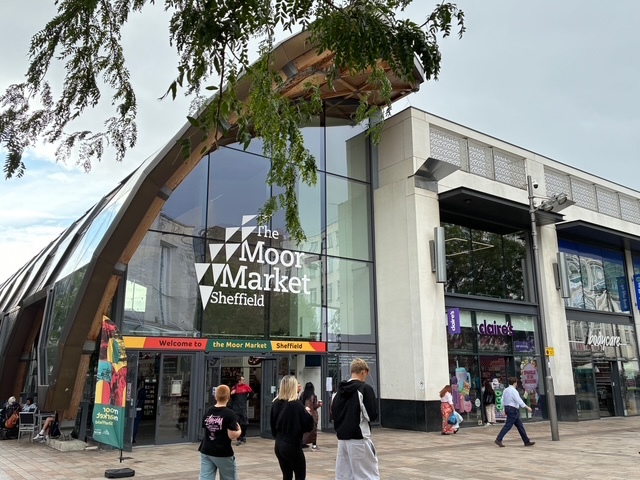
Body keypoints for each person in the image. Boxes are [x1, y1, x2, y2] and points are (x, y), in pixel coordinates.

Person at [331, 358, 380, 480]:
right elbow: (371, 415)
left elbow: (334, 413)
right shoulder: (364, 389)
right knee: (367, 475)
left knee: (344, 476)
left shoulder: (338, 392)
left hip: (342, 440)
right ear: (363, 372)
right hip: (359, 439)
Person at [270, 375, 314, 480]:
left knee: (287, 475)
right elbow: (308, 426)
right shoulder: (296, 405)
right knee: (300, 475)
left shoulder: (276, 403)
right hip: (292, 444)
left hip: (279, 443)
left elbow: (272, 426)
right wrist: (308, 414)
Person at [199, 384, 242, 480]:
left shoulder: (209, 410)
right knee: (228, 477)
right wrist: (239, 431)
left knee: (205, 477)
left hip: (206, 449)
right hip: (222, 452)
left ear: (215, 396)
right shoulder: (230, 414)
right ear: (228, 397)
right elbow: (232, 436)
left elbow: (205, 426)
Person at [494, 377, 535, 447]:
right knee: (508, 425)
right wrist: (527, 407)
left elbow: (502, 400)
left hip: (508, 408)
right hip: (513, 409)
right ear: (515, 383)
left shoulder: (505, 390)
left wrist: (503, 409)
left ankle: (526, 441)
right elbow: (518, 400)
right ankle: (498, 439)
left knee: (520, 426)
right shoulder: (514, 391)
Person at [230, 376, 253, 446]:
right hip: (236, 408)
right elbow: (232, 398)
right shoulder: (234, 387)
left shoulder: (246, 387)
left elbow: (252, 393)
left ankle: (243, 435)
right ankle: (239, 438)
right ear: (239, 381)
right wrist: (232, 394)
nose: (244, 381)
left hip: (243, 408)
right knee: (237, 423)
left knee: (245, 423)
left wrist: (247, 399)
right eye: (243, 380)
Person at [301, 382, 322, 451]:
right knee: (313, 430)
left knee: (304, 430)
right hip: (312, 415)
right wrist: (319, 404)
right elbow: (314, 407)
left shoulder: (302, 395)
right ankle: (314, 445)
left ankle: (303, 442)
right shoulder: (313, 396)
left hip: (303, 414)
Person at [133, 378, 146, 443]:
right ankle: (133, 438)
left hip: (132, 408)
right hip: (139, 409)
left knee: (131, 424)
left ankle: (129, 437)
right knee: (136, 424)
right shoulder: (142, 390)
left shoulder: (133, 390)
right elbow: (144, 398)